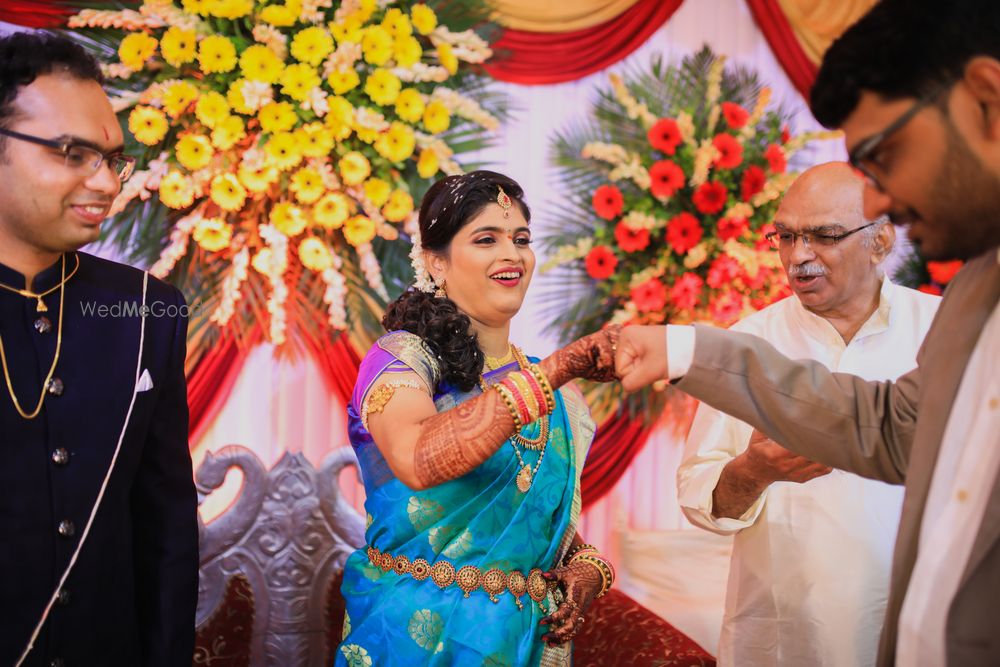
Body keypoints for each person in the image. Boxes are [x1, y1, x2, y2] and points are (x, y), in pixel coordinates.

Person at [615, 1, 1000, 664]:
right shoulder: (973, 295)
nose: (881, 200)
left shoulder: (933, 314)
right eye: (787, 236)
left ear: (987, 101)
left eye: (885, 156)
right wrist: (686, 349)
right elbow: (885, 426)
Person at [337, 171, 618, 666]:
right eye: (486, 239)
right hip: (410, 637)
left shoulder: (556, 395)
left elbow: (532, 524)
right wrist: (557, 370)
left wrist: (586, 569)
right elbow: (417, 458)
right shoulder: (401, 361)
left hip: (522, 643)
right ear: (435, 262)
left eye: (522, 239)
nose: (511, 254)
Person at [676, 162, 940, 666]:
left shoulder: (942, 331)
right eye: (786, 236)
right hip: (785, 638)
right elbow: (698, 498)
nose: (799, 256)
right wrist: (753, 472)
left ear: (881, 241)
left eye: (824, 236)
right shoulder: (747, 343)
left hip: (915, 630)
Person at [0, 32, 198, 666]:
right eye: (72, 153)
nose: (106, 182)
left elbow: (165, 529)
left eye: (113, 159)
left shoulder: (147, 310)